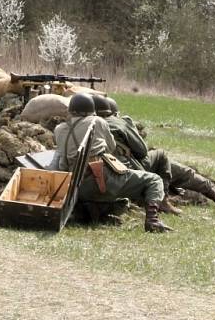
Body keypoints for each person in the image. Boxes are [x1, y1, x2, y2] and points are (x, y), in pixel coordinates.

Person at [52, 93, 173, 232]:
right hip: (101, 179)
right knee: (154, 180)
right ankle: (153, 220)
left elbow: (61, 158)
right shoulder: (97, 122)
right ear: (92, 110)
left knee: (119, 202)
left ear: (71, 110)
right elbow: (111, 147)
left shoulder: (59, 129)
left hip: (75, 187)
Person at [101, 96, 215, 211]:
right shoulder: (117, 122)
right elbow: (142, 151)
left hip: (105, 174)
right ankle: (165, 199)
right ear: (114, 112)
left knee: (174, 168)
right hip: (127, 168)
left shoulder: (88, 124)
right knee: (168, 160)